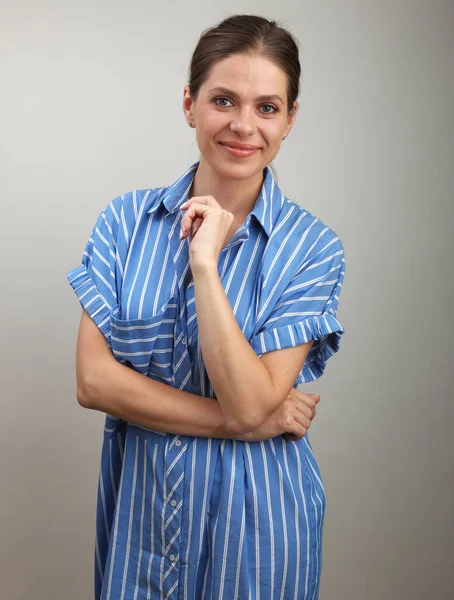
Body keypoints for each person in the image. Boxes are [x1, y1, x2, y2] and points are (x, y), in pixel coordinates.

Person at [66, 14, 346, 600]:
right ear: (190, 104)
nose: (244, 125)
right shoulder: (125, 221)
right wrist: (252, 421)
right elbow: (93, 382)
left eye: (267, 107)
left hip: (259, 522)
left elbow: (248, 405)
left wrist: (205, 266)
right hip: (139, 515)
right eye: (224, 100)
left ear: (290, 119)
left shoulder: (313, 249)